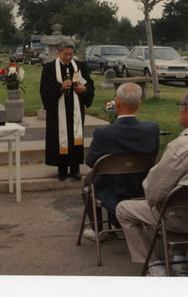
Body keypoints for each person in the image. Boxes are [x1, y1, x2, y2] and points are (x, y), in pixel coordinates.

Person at [116, 85, 188, 276]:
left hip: (178, 219)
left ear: (187, 111)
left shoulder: (182, 147)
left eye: (180, 105)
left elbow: (153, 193)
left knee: (124, 209)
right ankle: (179, 261)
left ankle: (154, 265)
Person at [82, 82, 160, 241]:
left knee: (89, 181)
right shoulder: (151, 129)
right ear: (138, 104)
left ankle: (98, 229)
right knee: (105, 176)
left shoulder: (104, 132)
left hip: (112, 184)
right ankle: (118, 224)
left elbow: (91, 161)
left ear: (116, 103)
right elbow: (153, 155)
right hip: (139, 182)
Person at [40, 39, 95, 181]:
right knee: (61, 138)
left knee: (75, 137)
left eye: (71, 54)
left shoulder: (80, 66)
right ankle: (62, 169)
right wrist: (60, 87)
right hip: (57, 112)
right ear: (58, 53)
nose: (68, 57)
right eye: (65, 54)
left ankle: (75, 169)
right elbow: (44, 91)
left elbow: (90, 86)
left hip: (75, 110)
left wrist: (83, 89)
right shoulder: (49, 68)